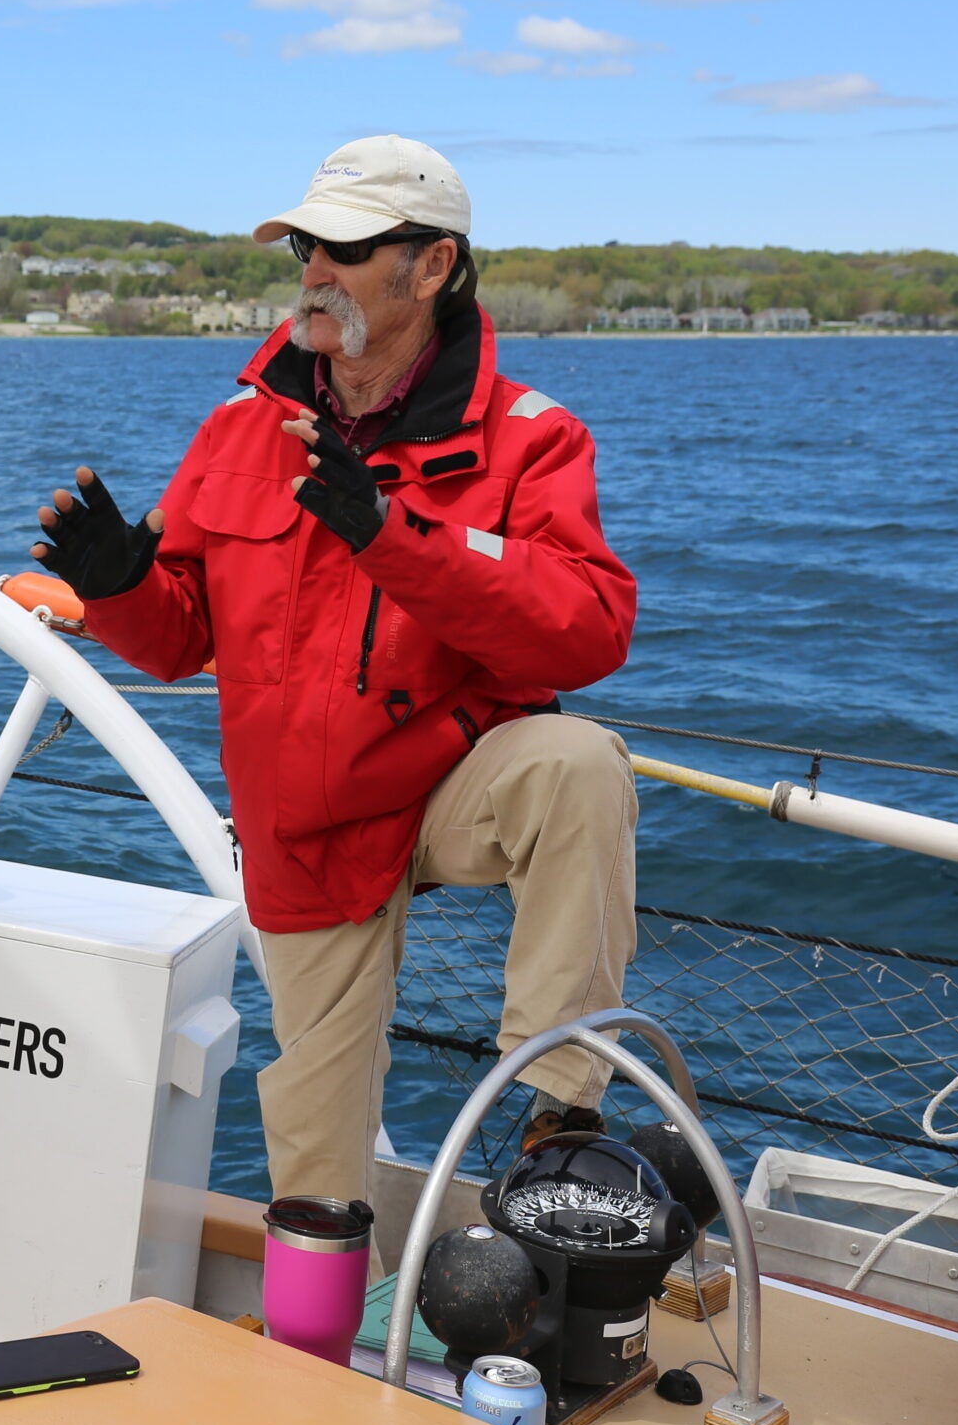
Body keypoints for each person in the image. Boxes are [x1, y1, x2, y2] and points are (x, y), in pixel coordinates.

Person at [31, 136, 640, 1216]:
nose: (313, 267)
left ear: (434, 266)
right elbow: (174, 640)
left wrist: (390, 535)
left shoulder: (531, 439)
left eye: (347, 248)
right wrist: (118, 588)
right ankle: (317, 1355)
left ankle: (555, 1118)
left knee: (575, 765)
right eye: (307, 242)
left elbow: (587, 632)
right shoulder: (234, 431)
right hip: (304, 823)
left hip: (450, 781)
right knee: (312, 1179)